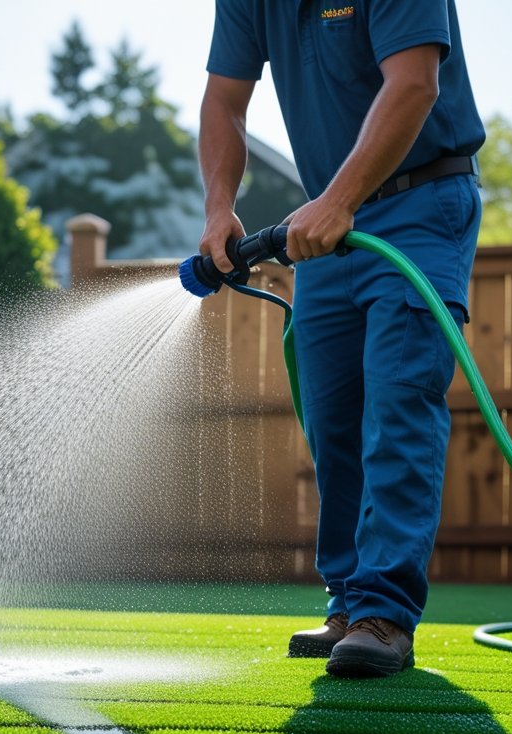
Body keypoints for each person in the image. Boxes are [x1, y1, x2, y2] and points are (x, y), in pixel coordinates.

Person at [199, 1, 485, 677]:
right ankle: (351, 601)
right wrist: (218, 208)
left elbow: (414, 82)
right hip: (330, 222)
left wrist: (340, 199)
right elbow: (223, 101)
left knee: (396, 404)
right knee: (332, 420)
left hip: (420, 205)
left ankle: (383, 613)